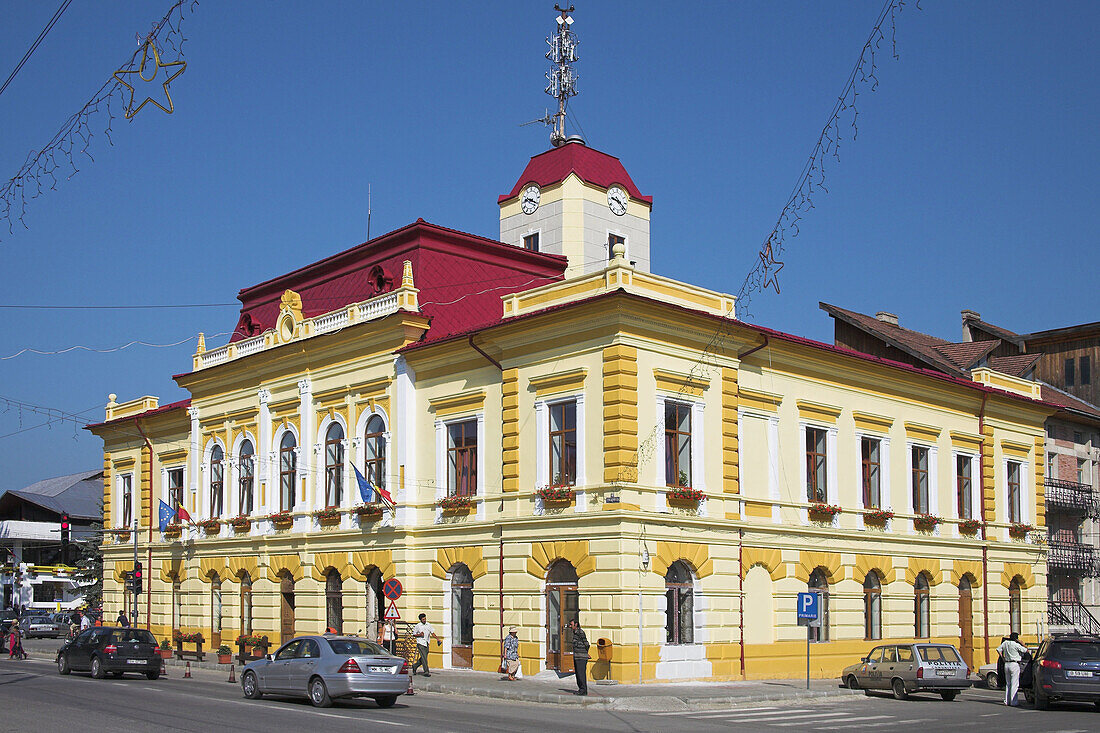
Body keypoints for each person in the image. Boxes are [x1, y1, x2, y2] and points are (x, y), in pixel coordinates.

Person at [997, 631, 1029, 706]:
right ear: (1016, 638)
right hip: (1014, 664)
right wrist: (1022, 643)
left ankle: (1007, 701)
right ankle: (1013, 702)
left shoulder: (1005, 643)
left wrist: (1003, 658)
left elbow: (998, 649)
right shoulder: (1016, 645)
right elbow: (1026, 650)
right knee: (1014, 684)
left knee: (1008, 683)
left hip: (1007, 664)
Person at [568, 618, 590, 696]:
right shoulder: (575, 633)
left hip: (581, 657)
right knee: (578, 673)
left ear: (576, 624)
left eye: (571, 624)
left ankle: (583, 690)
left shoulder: (580, 632)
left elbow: (587, 643)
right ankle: (581, 689)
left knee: (581, 674)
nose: (570, 626)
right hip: (577, 656)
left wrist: (585, 653)